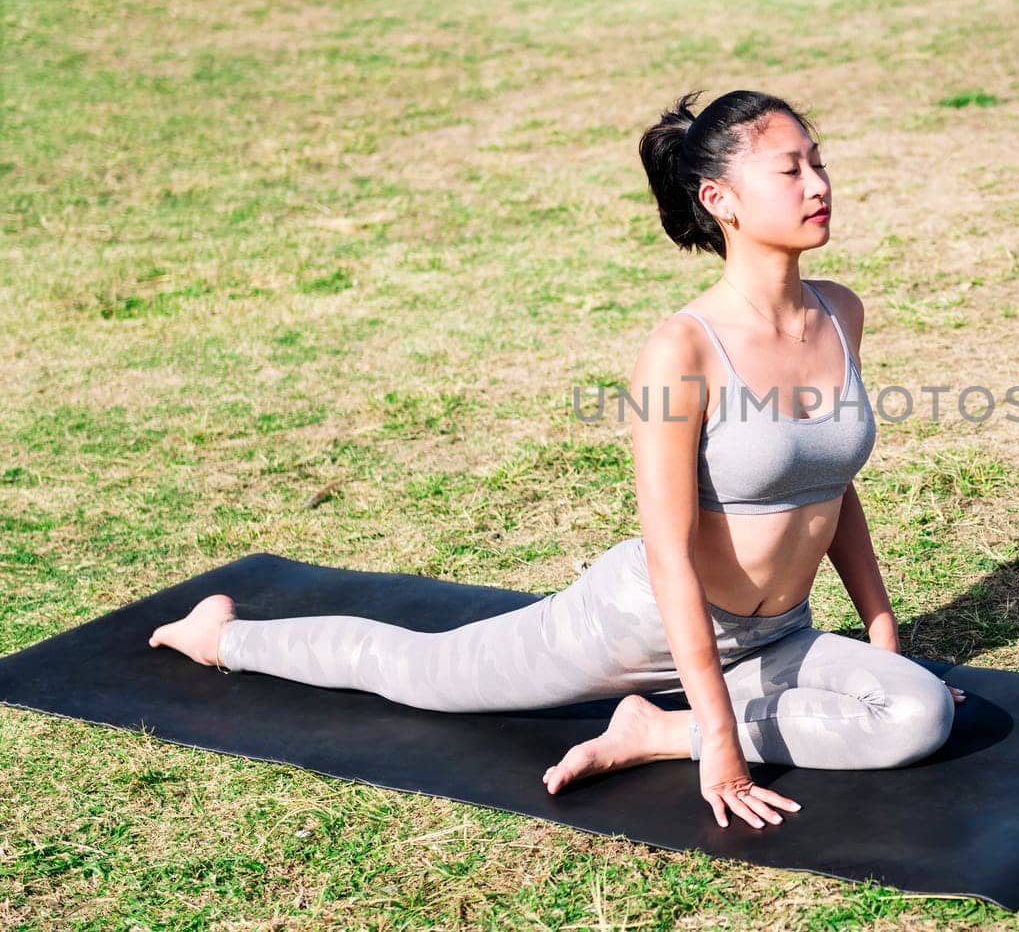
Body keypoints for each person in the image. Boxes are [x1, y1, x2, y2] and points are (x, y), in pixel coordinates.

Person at [148, 89, 965, 832]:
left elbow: (832, 486)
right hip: (639, 623)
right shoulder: (684, 348)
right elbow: (669, 551)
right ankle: (224, 637)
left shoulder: (840, 313)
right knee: (420, 672)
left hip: (774, 635)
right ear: (720, 201)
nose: (818, 185)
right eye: (790, 170)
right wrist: (718, 739)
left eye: (818, 162)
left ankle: (656, 730)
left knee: (918, 714)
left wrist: (881, 634)